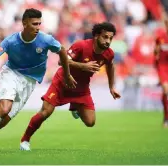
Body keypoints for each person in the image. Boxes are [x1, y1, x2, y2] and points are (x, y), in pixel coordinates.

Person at [0, 8, 76, 153]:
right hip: (11, 74)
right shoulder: (11, 41)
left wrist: (67, 73)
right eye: (34, 24)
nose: (38, 27)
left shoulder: (46, 39)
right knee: (4, 109)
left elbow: (62, 51)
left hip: (30, 82)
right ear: (25, 23)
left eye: (39, 24)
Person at [19, 22, 121, 151]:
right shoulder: (81, 46)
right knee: (45, 113)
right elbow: (61, 61)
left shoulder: (109, 53)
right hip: (62, 83)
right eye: (105, 37)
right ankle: (25, 140)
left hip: (81, 89)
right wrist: (83, 66)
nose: (108, 41)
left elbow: (111, 66)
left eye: (110, 38)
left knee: (90, 122)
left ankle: (75, 107)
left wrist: (111, 87)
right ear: (96, 36)